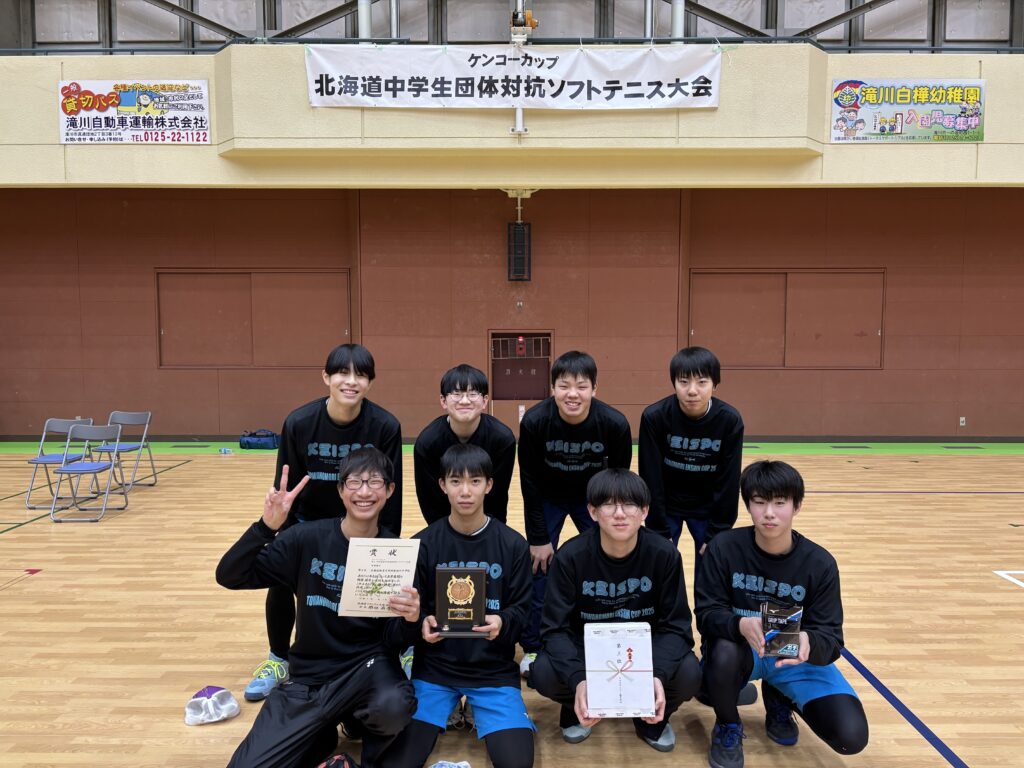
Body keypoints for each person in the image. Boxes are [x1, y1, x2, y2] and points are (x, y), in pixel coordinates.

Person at [216, 448, 420, 768]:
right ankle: (321, 734)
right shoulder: (304, 539)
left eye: (375, 482)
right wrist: (265, 527)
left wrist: (410, 619)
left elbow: (394, 639)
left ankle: (359, 724)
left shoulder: (395, 555)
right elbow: (230, 575)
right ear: (340, 490)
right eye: (354, 482)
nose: (364, 492)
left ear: (390, 490)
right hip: (309, 677)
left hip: (366, 671)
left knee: (394, 706)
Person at [247, 343, 403, 702]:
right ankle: (278, 657)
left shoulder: (385, 425)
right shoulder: (299, 422)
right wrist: (284, 537)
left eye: (360, 375)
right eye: (342, 373)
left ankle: (385, 651)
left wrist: (386, 545)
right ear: (326, 377)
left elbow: (390, 491)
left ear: (370, 382)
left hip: (361, 524)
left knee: (376, 588)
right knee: (281, 578)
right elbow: (286, 487)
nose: (351, 381)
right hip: (309, 522)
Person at [695, 460, 869, 768]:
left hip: (794, 659)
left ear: (796, 505)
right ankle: (728, 725)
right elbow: (707, 614)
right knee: (715, 665)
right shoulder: (724, 548)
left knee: (850, 736)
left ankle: (778, 696)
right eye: (759, 502)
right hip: (741, 651)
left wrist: (808, 642)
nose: (769, 513)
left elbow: (831, 638)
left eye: (779, 503)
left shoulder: (820, 563)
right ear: (748, 504)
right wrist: (739, 624)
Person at [529, 468, 701, 752]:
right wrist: (578, 679)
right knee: (543, 672)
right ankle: (577, 704)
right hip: (586, 650)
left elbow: (676, 626)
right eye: (609, 504)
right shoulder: (570, 556)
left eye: (629, 504)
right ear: (592, 511)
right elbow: (554, 629)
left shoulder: (664, 554)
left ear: (644, 511)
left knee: (689, 674)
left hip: (643, 651)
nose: (619, 514)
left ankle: (650, 716)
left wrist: (656, 674)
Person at [388, 444, 534, 768]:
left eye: (475, 481)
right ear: (443, 485)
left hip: (493, 674)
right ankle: (450, 706)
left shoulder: (513, 545)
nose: (465, 491)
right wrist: (420, 622)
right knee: (399, 762)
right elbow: (407, 618)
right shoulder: (422, 544)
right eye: (456, 481)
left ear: (489, 485)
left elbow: (523, 611)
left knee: (517, 763)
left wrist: (503, 622)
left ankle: (478, 709)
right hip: (435, 671)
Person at [516, 351, 633, 675]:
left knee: (607, 565)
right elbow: (529, 483)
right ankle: (534, 647)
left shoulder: (614, 424)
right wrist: (538, 537)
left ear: (594, 388)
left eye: (581, 386)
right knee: (539, 567)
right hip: (548, 497)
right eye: (564, 386)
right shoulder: (535, 422)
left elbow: (619, 480)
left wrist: (611, 522)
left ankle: (605, 639)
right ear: (552, 388)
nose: (573, 394)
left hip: (593, 500)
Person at [639, 346, 743, 583]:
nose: (692, 390)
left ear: (715, 385)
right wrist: (658, 529)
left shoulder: (729, 420)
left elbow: (729, 481)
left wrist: (717, 532)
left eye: (702, 382)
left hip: (708, 508)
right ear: (674, 383)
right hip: (667, 507)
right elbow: (651, 476)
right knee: (659, 571)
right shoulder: (655, 417)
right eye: (684, 382)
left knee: (711, 575)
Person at [414, 364, 516, 525]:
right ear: (443, 401)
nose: (465, 401)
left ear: (485, 401)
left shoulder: (502, 440)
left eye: (473, 394)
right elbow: (429, 500)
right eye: (456, 394)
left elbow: (497, 496)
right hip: (444, 523)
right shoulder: (427, 443)